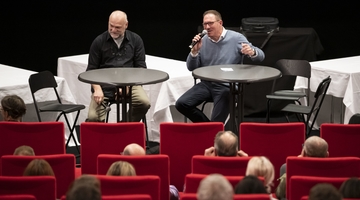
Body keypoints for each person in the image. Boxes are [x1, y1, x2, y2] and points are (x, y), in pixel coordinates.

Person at [175, 10, 265, 123]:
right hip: (207, 84)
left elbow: (261, 56)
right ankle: (209, 129)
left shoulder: (236, 38)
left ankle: (212, 130)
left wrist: (252, 52)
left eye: (210, 23)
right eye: (205, 24)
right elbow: (191, 67)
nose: (207, 27)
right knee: (182, 104)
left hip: (227, 86)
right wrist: (194, 52)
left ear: (220, 23)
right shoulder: (203, 40)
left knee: (217, 119)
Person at [86, 10, 150, 122]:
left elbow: (141, 69)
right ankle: (103, 136)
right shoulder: (99, 41)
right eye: (111, 26)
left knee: (144, 103)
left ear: (126, 25)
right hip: (104, 85)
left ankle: (123, 127)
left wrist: (127, 86)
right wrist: (97, 89)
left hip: (130, 83)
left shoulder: (136, 40)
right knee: (93, 117)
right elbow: (91, 70)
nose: (113, 30)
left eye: (117, 27)